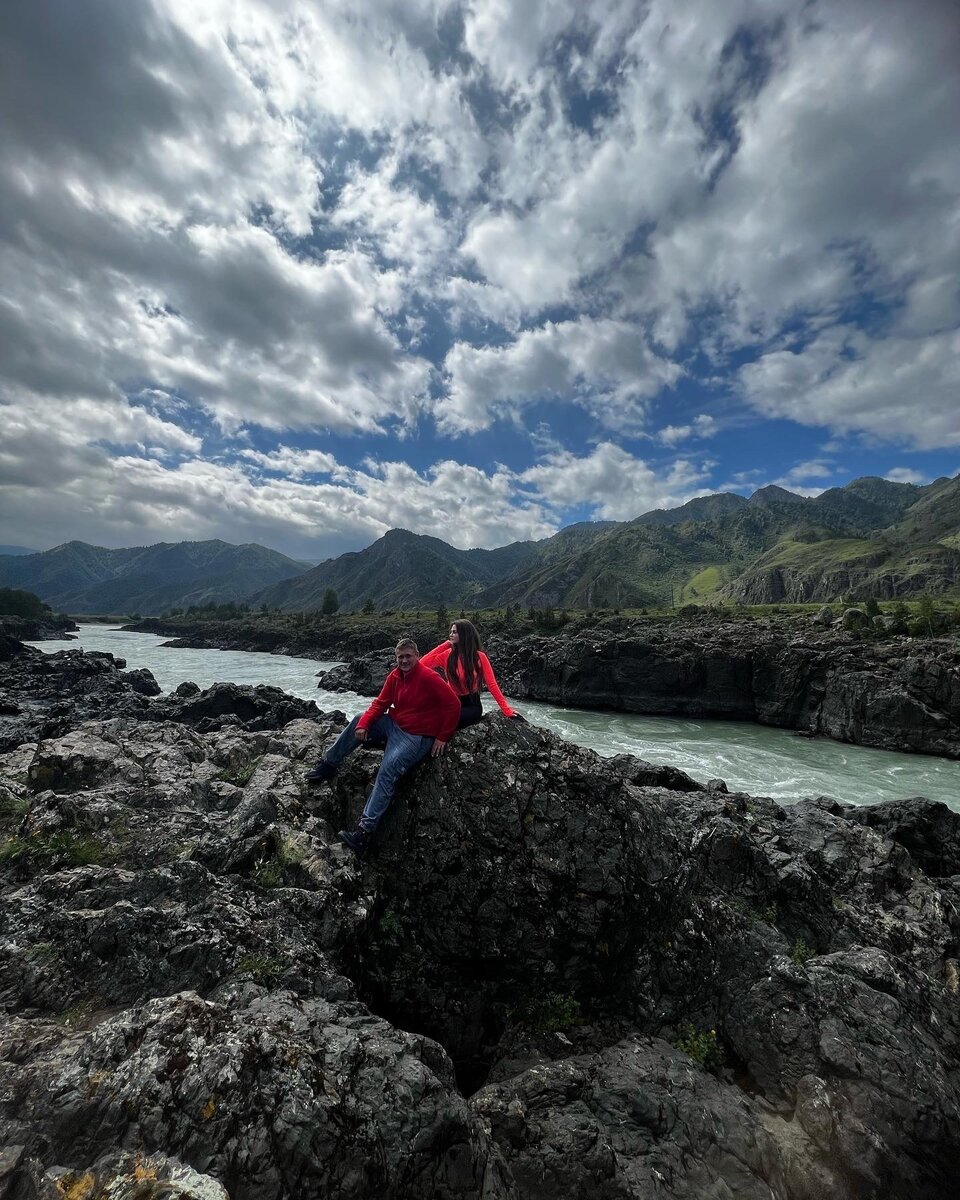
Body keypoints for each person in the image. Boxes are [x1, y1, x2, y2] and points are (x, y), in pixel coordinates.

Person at [305, 637, 461, 856]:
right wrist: (364, 724)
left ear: (417, 656)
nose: (404, 661)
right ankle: (329, 763)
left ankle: (364, 833)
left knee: (387, 771)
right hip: (394, 724)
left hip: (416, 737)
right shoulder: (395, 676)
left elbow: (453, 704)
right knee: (360, 718)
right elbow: (380, 703)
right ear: (396, 658)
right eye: (400, 657)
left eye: (408, 656)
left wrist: (443, 737)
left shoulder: (428, 677)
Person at [419, 619, 520, 727]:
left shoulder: (480, 657)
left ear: (464, 635)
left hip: (471, 705)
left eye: (454, 632)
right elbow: (421, 664)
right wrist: (446, 645)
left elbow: (492, 684)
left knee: (445, 721)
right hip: (450, 701)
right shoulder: (447, 655)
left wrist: (506, 709)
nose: (451, 635)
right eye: (451, 632)